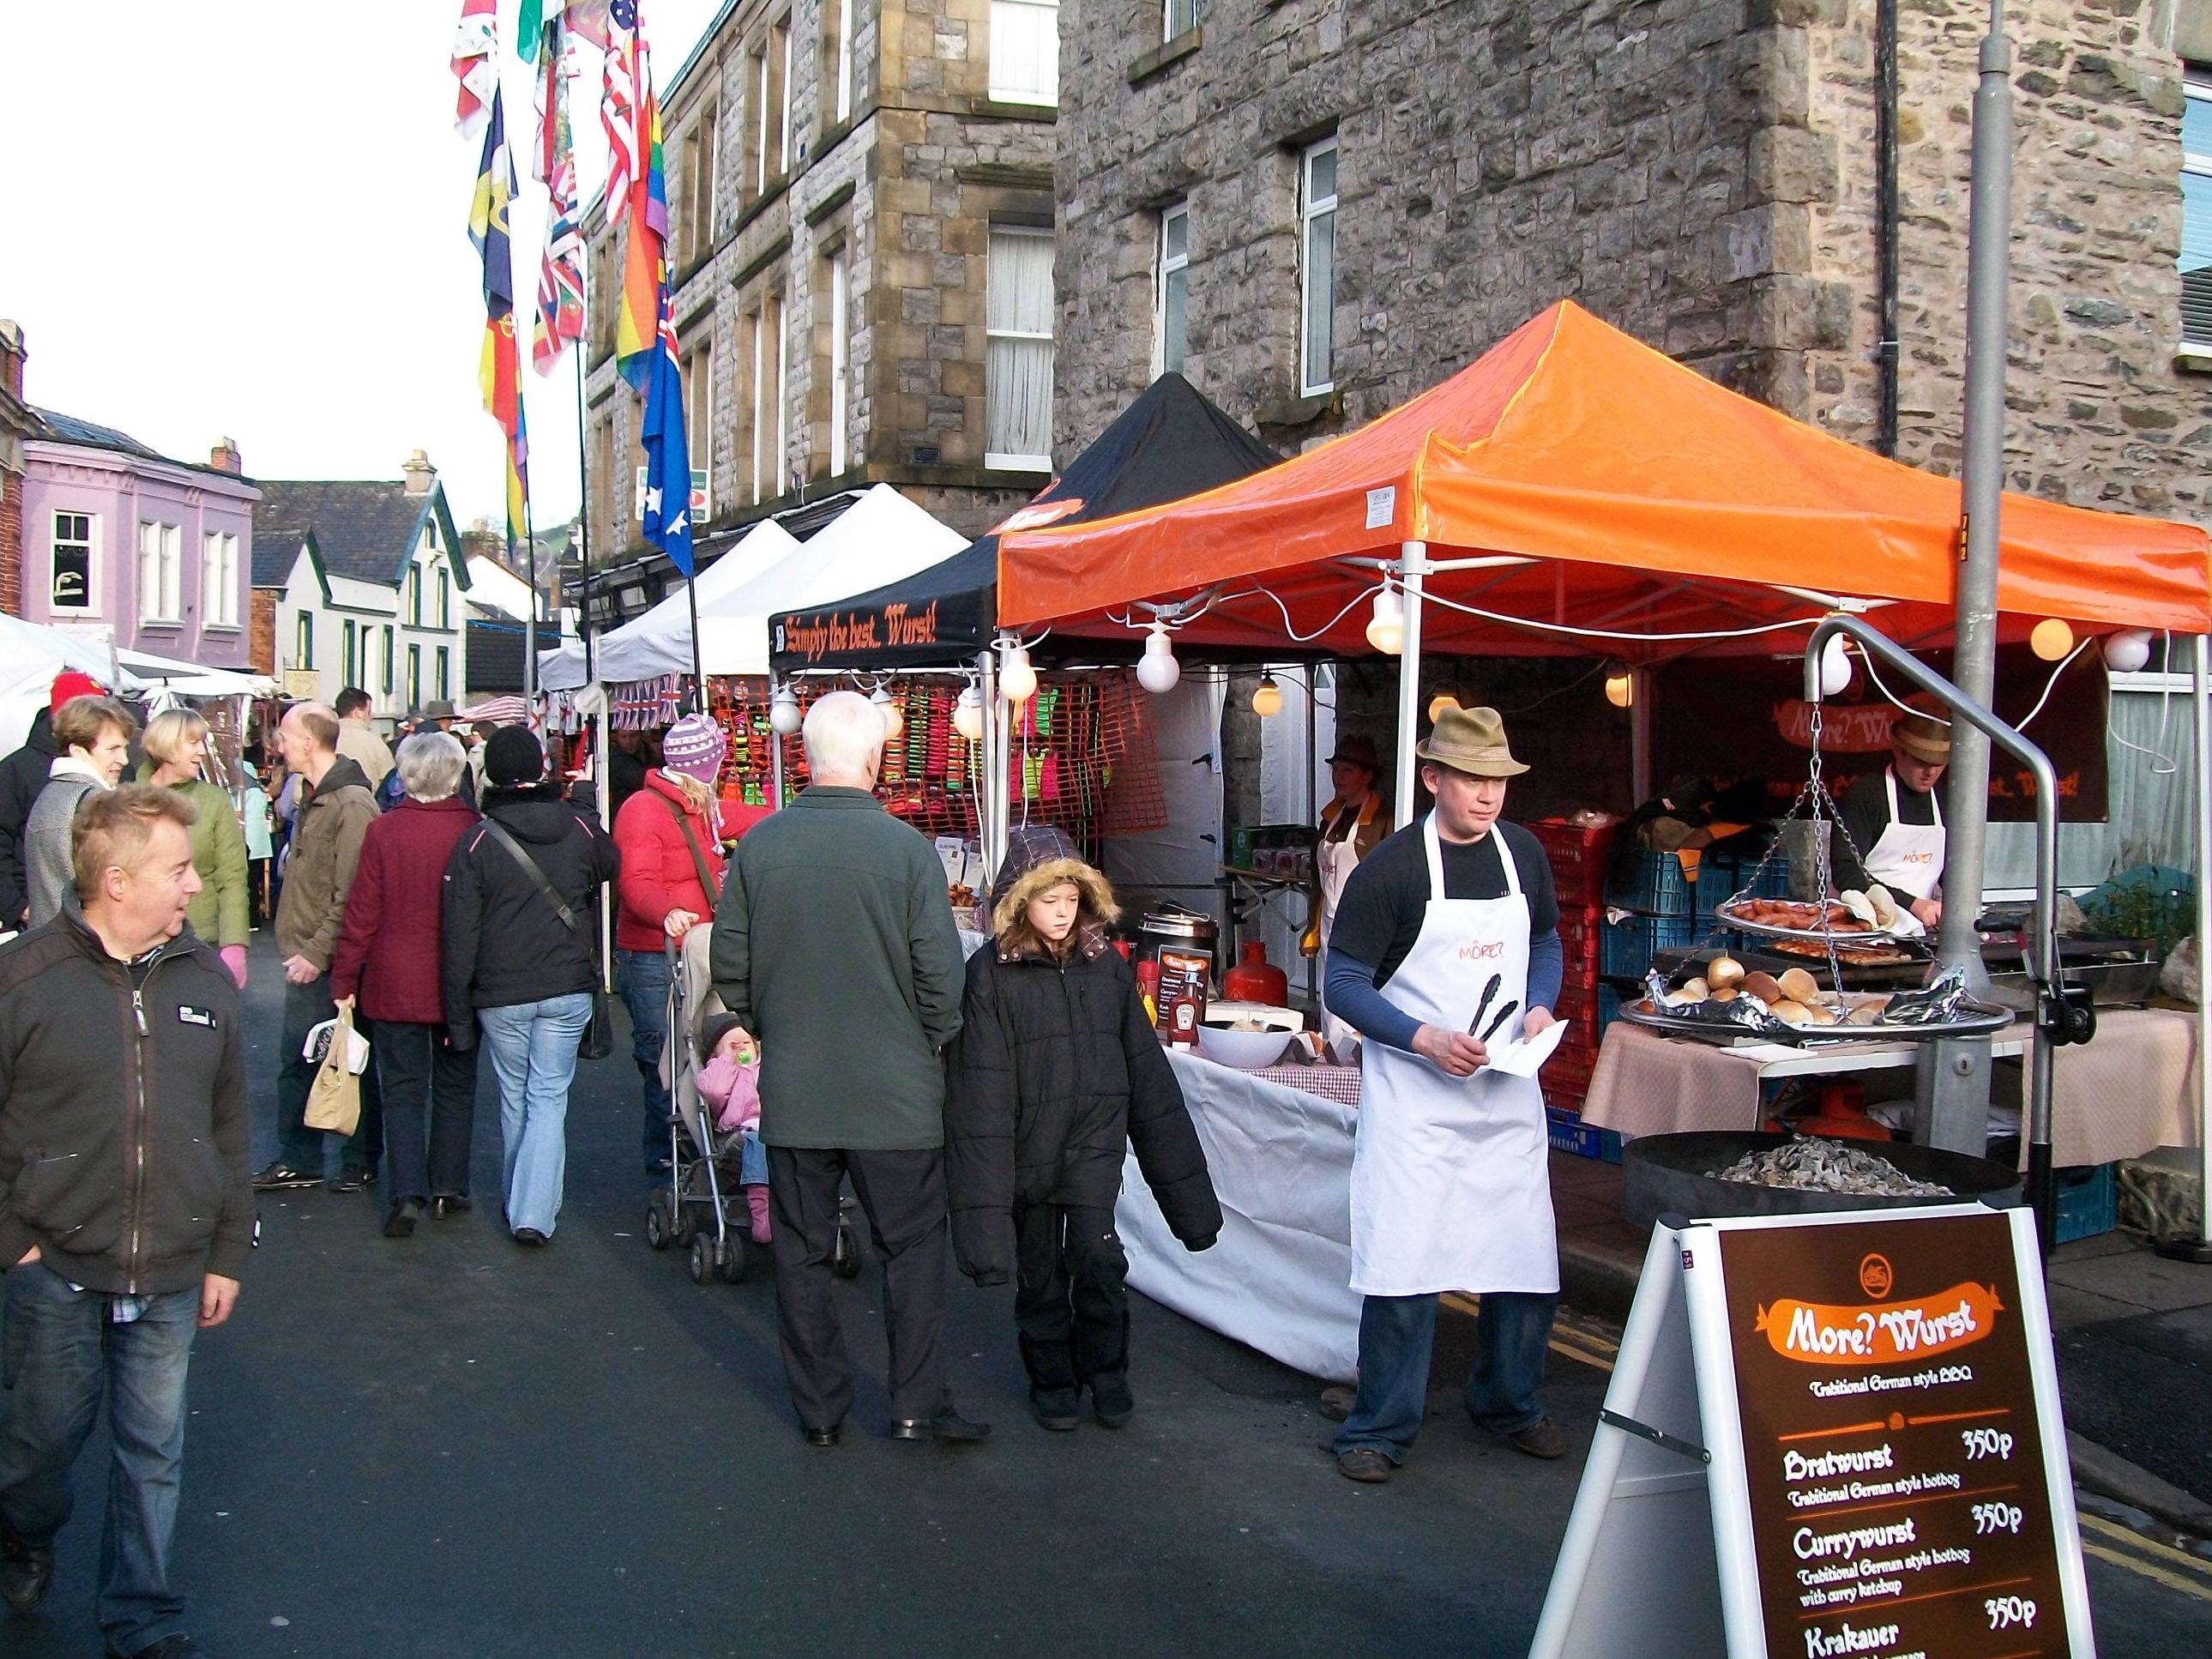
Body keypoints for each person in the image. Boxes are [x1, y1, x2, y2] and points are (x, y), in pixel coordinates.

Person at [0, 784, 252, 1659]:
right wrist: (15, 1244)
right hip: (55, 1263)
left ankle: (140, 1613)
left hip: (173, 1264)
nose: (195, 886)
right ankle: (23, 1527)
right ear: (115, 879)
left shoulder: (204, 981)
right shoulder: (25, 977)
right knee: (38, 1448)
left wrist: (227, 1248)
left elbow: (228, 1122)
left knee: (153, 1451)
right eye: (177, 869)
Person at [709, 691, 982, 1449]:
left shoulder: (761, 846)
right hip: (896, 1092)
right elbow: (941, 976)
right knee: (913, 1251)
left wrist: (772, 1025)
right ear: (874, 758)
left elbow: (730, 964)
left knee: (799, 1251)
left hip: (798, 1085)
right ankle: (915, 1404)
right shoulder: (905, 851)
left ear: (807, 757)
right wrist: (926, 1039)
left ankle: (821, 1411)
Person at [1322, 703, 1566, 1483]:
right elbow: (1342, 983)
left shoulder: (1522, 854)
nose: (1488, 794)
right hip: (1417, 1103)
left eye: (1498, 779)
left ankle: (1508, 1404)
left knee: (1523, 1259)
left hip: (1504, 1094)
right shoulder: (1390, 869)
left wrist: (1539, 1001)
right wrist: (1421, 1038)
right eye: (1470, 778)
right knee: (1405, 1265)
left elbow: (1547, 942)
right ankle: (1380, 1426)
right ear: (1432, 779)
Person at [946, 826, 1221, 1432]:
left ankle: (1106, 1372)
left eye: (1072, 900)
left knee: (1098, 1264)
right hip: (1027, 1150)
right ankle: (1051, 1378)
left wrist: (1191, 1206)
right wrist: (981, 1227)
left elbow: (1148, 1078)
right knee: (1040, 1272)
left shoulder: (1106, 969)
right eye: (1050, 901)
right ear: (1021, 902)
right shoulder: (989, 976)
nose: (1063, 912)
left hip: (1094, 1147)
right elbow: (979, 1099)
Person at [441, 727, 617, 1246]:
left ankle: (524, 1204)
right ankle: (532, 1211)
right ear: (542, 768)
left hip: (500, 992)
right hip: (565, 983)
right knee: (547, 1096)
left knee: (516, 1098)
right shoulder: (577, 828)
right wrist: (585, 807)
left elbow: (460, 936)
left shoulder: (476, 839)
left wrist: (456, 1015)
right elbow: (612, 863)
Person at [329, 733, 482, 1238]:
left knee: (401, 1089)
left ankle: (407, 1191)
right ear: (456, 774)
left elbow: (363, 912)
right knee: (456, 1086)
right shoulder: (474, 831)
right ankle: (448, 1184)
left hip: (394, 979)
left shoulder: (385, 832)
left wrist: (345, 976)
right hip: (459, 982)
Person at [257, 702, 383, 1194]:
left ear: (310, 742)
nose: (277, 745)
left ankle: (348, 1157)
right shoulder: (315, 796)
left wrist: (317, 953)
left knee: (343, 1060)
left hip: (329, 958)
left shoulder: (350, 804)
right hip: (309, 950)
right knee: (306, 1060)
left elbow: (351, 892)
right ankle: (310, 1157)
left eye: (285, 736)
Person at [612, 713, 728, 1174]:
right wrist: (666, 913)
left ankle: (696, 1152)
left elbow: (745, 818)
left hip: (695, 949)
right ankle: (666, 1159)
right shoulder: (644, 808)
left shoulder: (702, 805)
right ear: (705, 764)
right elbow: (635, 880)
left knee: (702, 1049)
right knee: (662, 1056)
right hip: (652, 955)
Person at [137, 710, 250, 990]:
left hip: (199, 941)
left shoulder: (214, 801)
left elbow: (233, 875)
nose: (202, 751)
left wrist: (234, 944)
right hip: (141, 940)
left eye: (203, 742)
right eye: (193, 743)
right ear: (166, 745)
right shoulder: (128, 799)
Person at [1307, 733, 1394, 1058]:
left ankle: (1358, 1062)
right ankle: (1333, 1057)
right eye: (1336, 769)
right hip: (1331, 919)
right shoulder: (1331, 818)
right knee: (1330, 993)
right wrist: (1312, 927)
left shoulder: (1384, 820)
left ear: (1367, 775)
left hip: (1366, 925)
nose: (1337, 777)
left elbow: (1390, 877)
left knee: (1359, 992)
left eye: (1347, 770)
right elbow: (1316, 879)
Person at [1832, 700, 1951, 928]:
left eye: (1938, 764)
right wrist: (1912, 904)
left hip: (1919, 932)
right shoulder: (1867, 794)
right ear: (1898, 750)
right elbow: (1846, 871)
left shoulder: (1945, 800)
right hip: (1861, 929)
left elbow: (1953, 869)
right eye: (1921, 761)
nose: (1930, 772)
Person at [0, 671, 101, 932]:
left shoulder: (113, 766)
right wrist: (16, 906)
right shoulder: (16, 769)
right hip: (40, 915)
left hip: (100, 914)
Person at [25, 694, 137, 928]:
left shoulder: (49, 794)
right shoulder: (95, 802)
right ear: (78, 751)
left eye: (124, 748)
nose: (124, 759)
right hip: (87, 947)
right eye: (113, 749)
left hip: (49, 945)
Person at [695, 1012, 771, 1245]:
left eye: (746, 1042)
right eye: (732, 1045)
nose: (741, 1049)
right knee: (758, 1144)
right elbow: (713, 1091)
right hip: (740, 1132)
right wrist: (726, 1060)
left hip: (776, 1124)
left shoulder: (766, 1066)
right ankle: (762, 1213)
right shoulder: (719, 1072)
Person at [333, 686, 395, 791]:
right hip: (366, 803)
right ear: (358, 712)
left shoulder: (324, 738)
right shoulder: (375, 743)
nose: (372, 716)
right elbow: (390, 783)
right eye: (369, 711)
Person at [241, 757, 274, 928]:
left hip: (246, 839)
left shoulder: (239, 791)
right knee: (254, 880)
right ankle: (254, 919)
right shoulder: (260, 791)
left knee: (246, 881)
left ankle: (250, 918)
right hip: (260, 841)